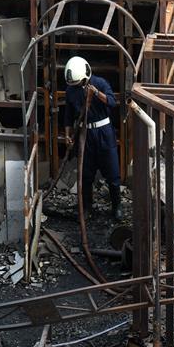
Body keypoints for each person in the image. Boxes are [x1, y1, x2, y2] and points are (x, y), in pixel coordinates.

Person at [63, 56, 123, 222]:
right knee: (86, 174)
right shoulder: (71, 91)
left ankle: (117, 206)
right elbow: (68, 116)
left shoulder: (101, 83)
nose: (77, 87)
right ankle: (87, 207)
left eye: (79, 83)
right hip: (85, 135)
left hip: (104, 132)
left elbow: (112, 102)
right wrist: (68, 135)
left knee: (112, 173)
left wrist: (96, 92)